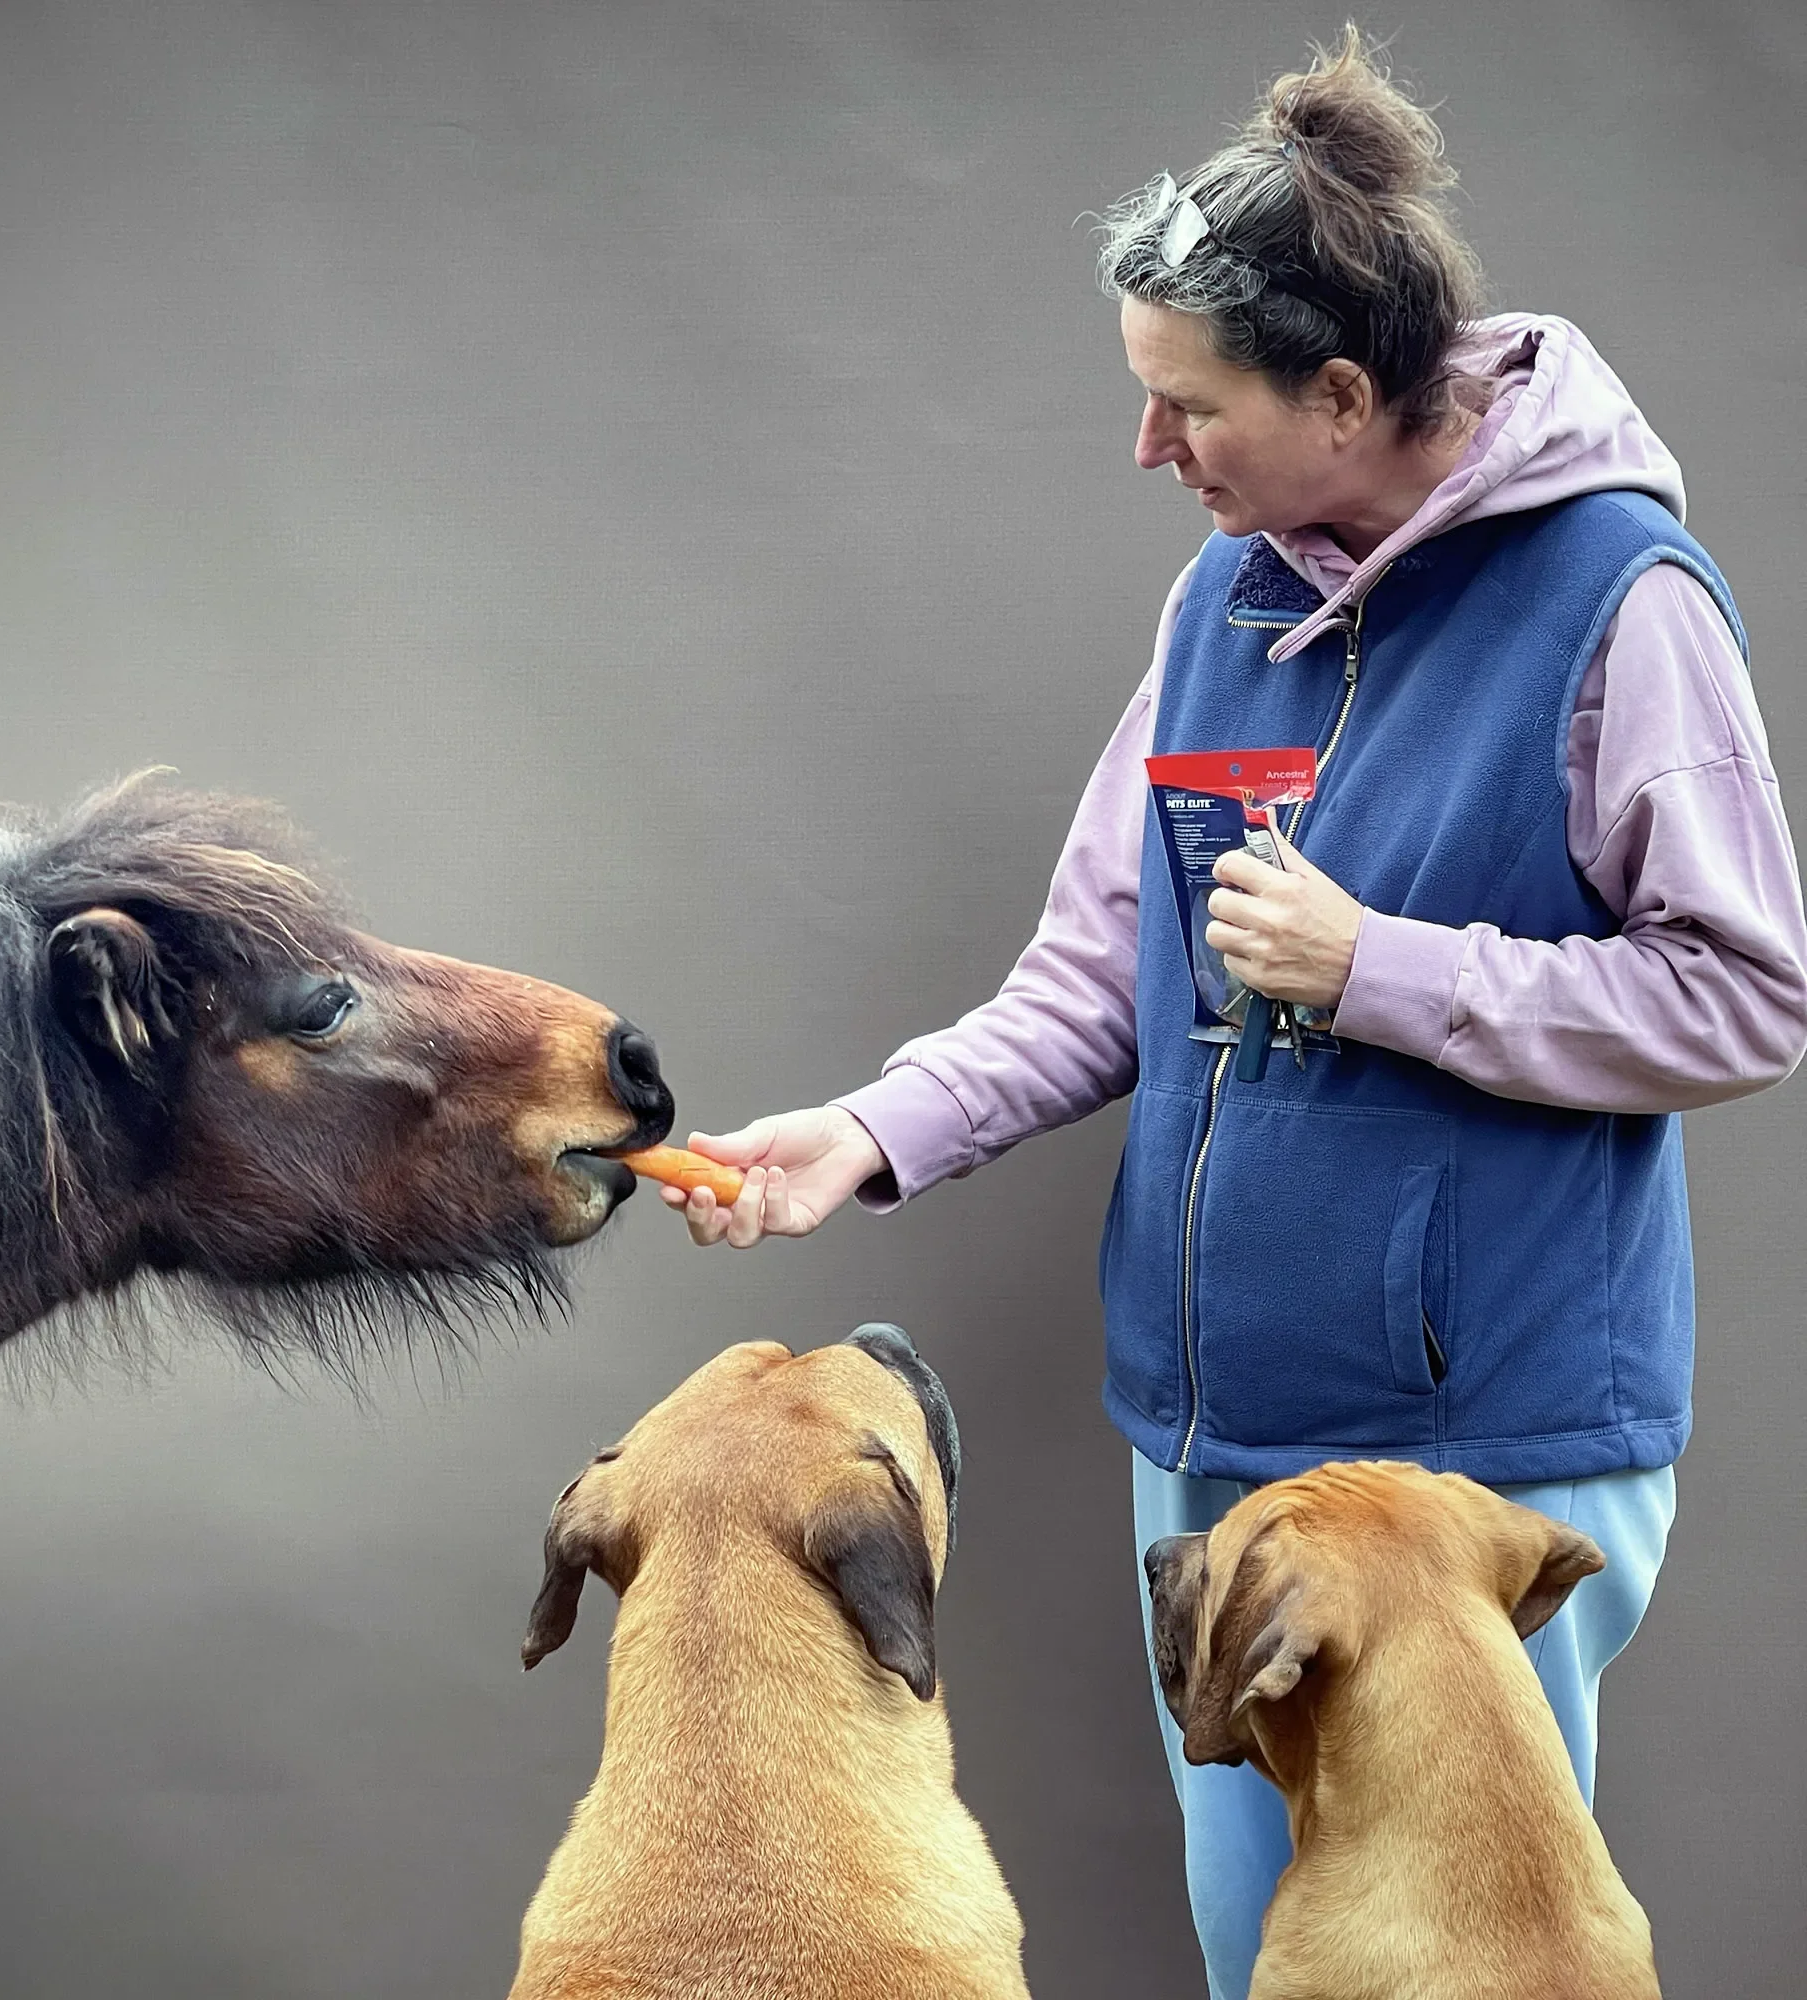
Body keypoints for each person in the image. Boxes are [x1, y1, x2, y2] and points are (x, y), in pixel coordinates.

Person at [662, 29, 1807, 2000]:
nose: (1148, 450)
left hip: (1485, 1455)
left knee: (1478, 1965)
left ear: (1341, 393)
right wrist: (864, 1133)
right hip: (1215, 1448)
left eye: (1183, 406)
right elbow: (1098, 973)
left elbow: (1744, 991)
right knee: (1256, 1953)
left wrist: (1388, 969)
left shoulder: (1624, 601)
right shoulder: (1217, 607)